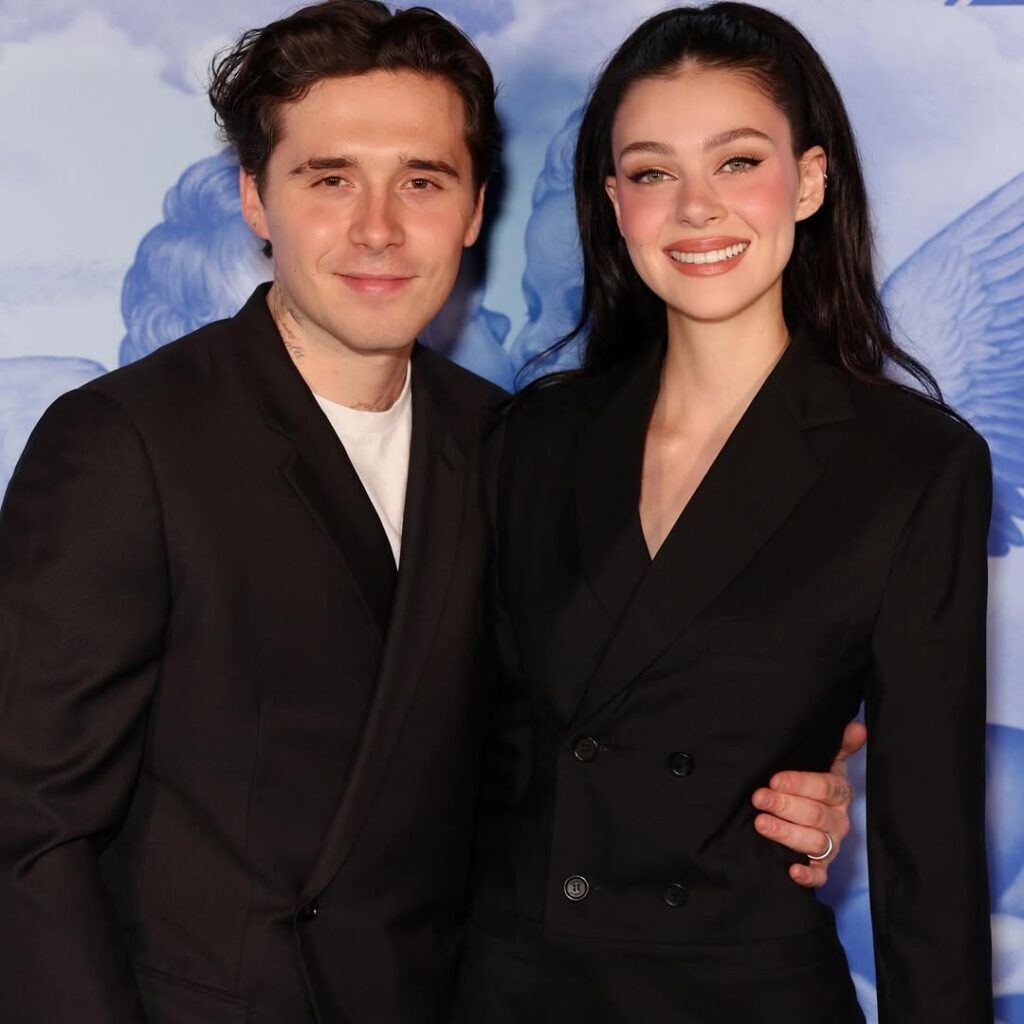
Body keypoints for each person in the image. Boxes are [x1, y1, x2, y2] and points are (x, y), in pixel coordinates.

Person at [0, 2, 860, 1022]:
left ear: (474, 209)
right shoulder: (126, 444)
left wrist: (773, 788)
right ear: (256, 200)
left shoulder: (508, 442)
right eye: (330, 180)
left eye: (421, 180)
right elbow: (27, 831)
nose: (378, 228)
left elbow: (560, 749)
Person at [452, 4, 992, 1023]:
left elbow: (930, 851)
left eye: (737, 161)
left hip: (744, 993)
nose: (696, 208)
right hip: (522, 990)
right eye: (653, 173)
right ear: (615, 204)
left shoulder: (911, 466)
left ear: (811, 181)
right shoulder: (533, 439)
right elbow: (462, 758)